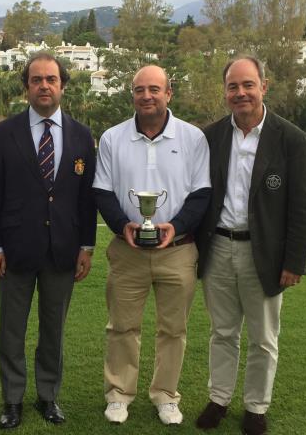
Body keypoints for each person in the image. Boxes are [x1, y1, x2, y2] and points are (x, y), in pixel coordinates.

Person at [195, 56, 306, 435]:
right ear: (225, 92)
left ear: (264, 86)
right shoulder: (211, 136)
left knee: (263, 338)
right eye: (233, 86)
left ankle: (256, 406)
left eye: (248, 85)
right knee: (222, 332)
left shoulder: (291, 139)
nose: (240, 93)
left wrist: (294, 261)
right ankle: (219, 399)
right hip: (217, 248)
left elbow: (304, 205)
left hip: (264, 253)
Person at [0, 52, 97, 429]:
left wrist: (87, 246)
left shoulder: (81, 135)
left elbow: (87, 198)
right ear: (26, 87)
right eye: (36, 80)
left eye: (51, 79)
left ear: (62, 85)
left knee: (54, 332)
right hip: (15, 251)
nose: (44, 85)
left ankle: (48, 396)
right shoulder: (5, 133)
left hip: (63, 250)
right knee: (11, 332)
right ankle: (12, 400)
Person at [94, 65, 211, 426]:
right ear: (132, 94)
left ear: (168, 93)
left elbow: (201, 193)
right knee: (121, 326)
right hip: (127, 250)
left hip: (177, 251)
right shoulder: (113, 138)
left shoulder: (193, 138)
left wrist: (173, 228)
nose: (147, 96)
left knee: (173, 329)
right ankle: (119, 394)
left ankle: (165, 395)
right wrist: (122, 224)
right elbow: (102, 190)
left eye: (154, 89)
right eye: (140, 90)